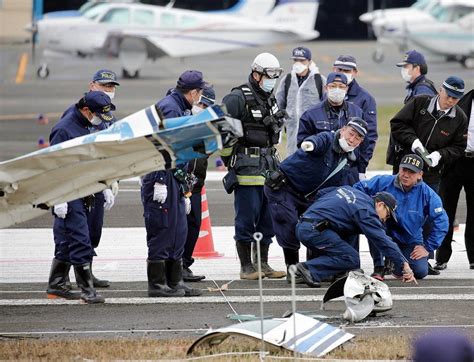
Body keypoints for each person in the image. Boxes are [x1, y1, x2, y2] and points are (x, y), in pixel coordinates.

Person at [264, 118, 368, 277]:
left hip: (309, 196)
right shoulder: (327, 139)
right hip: (285, 188)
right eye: (351, 133)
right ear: (343, 130)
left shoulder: (349, 160)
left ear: (360, 143)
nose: (352, 139)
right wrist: (309, 144)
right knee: (289, 226)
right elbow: (316, 141)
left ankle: (310, 268)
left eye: (357, 138)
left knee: (315, 225)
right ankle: (292, 269)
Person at [220, 52, 287, 280]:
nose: (272, 81)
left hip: (269, 168)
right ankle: (246, 266)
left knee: (268, 217)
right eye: (269, 76)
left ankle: (264, 263)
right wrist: (231, 161)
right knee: (246, 217)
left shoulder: (271, 98)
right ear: (256, 74)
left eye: (275, 76)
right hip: (247, 169)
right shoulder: (237, 98)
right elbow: (223, 133)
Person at [46, 91, 115, 304]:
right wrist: (58, 197)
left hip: (88, 189)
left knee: (75, 239)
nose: (99, 121)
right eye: (96, 115)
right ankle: (87, 291)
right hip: (68, 192)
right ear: (86, 110)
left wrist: (104, 185)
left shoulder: (88, 126)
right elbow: (53, 166)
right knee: (80, 239)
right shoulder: (63, 130)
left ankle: (56, 284)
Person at [142, 70, 205, 298]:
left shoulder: (180, 107)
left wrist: (186, 189)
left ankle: (174, 280)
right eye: (200, 92)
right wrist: (159, 179)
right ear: (193, 92)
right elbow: (160, 145)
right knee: (163, 228)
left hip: (175, 176)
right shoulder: (170, 108)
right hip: (163, 175)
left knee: (178, 230)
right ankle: (157, 284)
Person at [61, 69, 120, 288]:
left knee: (93, 231)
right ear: (92, 85)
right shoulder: (75, 115)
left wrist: (110, 180)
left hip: (98, 182)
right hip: (78, 183)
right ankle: (63, 277)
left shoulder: (106, 116)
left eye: (112, 87)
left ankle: (87, 273)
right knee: (75, 232)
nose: (109, 90)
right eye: (104, 86)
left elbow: (112, 148)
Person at [294, 187, 417, 287]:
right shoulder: (366, 212)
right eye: (388, 215)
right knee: (351, 258)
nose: (385, 219)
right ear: (380, 204)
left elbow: (322, 193)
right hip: (313, 231)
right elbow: (382, 240)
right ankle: (308, 269)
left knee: (349, 232)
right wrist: (404, 264)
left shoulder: (352, 191)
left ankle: (332, 273)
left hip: (304, 223)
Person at [354, 154, 449, 280]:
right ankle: (379, 267)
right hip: (383, 232)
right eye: (404, 170)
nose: (406, 175)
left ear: (420, 175)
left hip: (409, 238)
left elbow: (442, 221)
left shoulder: (428, 194)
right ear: (399, 169)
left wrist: (428, 247)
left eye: (411, 172)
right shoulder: (383, 182)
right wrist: (369, 209)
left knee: (420, 271)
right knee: (373, 225)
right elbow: (357, 189)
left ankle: (393, 261)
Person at [389, 76, 468, 192]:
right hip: (405, 167)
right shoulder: (419, 102)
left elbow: (459, 147)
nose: (450, 100)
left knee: (426, 207)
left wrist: (440, 154)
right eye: (448, 95)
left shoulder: (460, 119)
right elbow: (397, 124)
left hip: (432, 174)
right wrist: (413, 141)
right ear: (441, 90)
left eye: (455, 98)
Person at [297, 72, 367, 184]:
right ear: (326, 88)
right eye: (333, 86)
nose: (337, 89)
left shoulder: (357, 112)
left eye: (341, 86)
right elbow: (302, 146)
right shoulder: (311, 114)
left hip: (349, 174)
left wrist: (361, 170)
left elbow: (364, 144)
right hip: (321, 175)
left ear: (347, 89)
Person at [435, 88, 474, 271]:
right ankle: (442, 256)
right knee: (445, 209)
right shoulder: (463, 101)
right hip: (455, 161)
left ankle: (473, 257)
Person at [182, 86, 216, 282]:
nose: (202, 108)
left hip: (196, 183)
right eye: (201, 103)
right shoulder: (181, 119)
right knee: (178, 227)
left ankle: (185, 263)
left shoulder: (206, 126)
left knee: (194, 224)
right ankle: (173, 265)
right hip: (179, 183)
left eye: (206, 106)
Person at [332, 55, 378, 179]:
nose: (342, 74)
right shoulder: (327, 96)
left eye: (346, 71)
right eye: (339, 70)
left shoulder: (365, 99)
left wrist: (361, 168)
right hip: (327, 163)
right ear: (333, 70)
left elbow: (370, 136)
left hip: (351, 166)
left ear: (355, 72)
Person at [275, 46, 326, 156]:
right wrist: (277, 130)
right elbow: (278, 106)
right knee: (293, 163)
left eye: (302, 60)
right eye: (295, 60)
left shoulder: (319, 80)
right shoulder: (287, 80)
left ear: (309, 62)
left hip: (314, 134)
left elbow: (326, 106)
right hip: (292, 135)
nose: (298, 63)